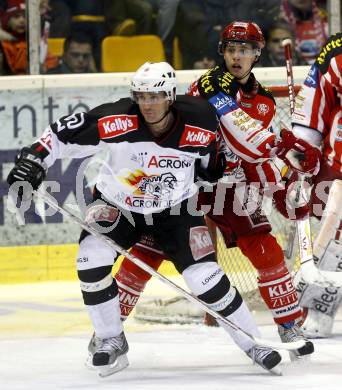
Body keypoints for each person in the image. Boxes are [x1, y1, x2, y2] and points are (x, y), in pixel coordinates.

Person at [7, 61, 283, 377]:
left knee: (204, 277)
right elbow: (59, 134)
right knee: (89, 261)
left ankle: (253, 343)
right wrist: (33, 159)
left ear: (170, 96)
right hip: (118, 206)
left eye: (155, 97)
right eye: (142, 96)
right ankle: (111, 340)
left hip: (176, 210)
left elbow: (212, 163)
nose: (148, 105)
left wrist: (218, 168)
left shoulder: (200, 119)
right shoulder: (117, 120)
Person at [113, 21, 315, 360]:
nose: (237, 57)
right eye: (232, 49)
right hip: (185, 181)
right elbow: (227, 131)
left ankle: (289, 324)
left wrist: (281, 183)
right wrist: (282, 147)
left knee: (265, 249)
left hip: (230, 184)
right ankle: (109, 331)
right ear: (223, 52)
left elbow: (250, 152)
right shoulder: (206, 85)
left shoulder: (264, 101)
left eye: (245, 50)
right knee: (148, 252)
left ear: (256, 55)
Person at [280, 32, 342, 338]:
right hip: (341, 166)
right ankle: (318, 311)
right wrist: (302, 148)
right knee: (336, 240)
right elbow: (312, 107)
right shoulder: (336, 54)